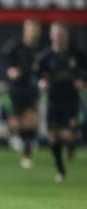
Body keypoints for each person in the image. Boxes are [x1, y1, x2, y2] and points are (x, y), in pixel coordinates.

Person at [35, 22, 86, 183]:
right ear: (51, 36)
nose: (59, 37)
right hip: (53, 101)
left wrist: (82, 80)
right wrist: (41, 82)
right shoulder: (45, 57)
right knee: (54, 136)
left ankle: (72, 145)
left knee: (70, 136)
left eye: (62, 33)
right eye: (56, 33)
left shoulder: (77, 55)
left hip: (71, 100)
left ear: (66, 35)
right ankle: (61, 170)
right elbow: (35, 76)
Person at [1, 19, 43, 168]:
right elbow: (4, 59)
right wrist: (10, 70)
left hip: (32, 88)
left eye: (34, 29)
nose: (32, 32)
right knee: (18, 121)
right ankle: (10, 132)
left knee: (31, 121)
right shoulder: (16, 46)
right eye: (29, 29)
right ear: (25, 30)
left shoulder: (41, 48)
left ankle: (26, 153)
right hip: (17, 88)